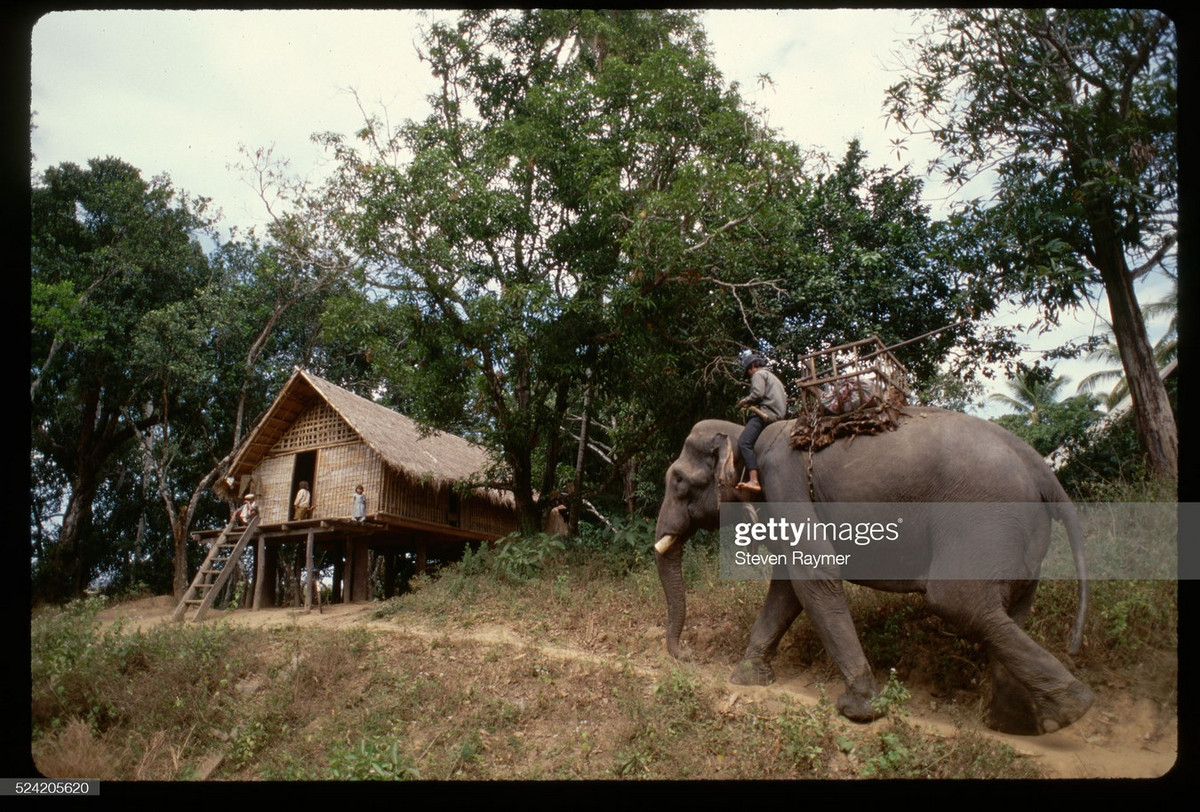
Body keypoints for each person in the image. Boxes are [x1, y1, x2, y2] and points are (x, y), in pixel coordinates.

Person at [735, 355, 787, 493]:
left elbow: (757, 393)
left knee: (744, 442)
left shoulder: (759, 375)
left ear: (752, 367)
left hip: (766, 414)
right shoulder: (773, 377)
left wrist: (744, 401)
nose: (750, 375)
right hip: (779, 414)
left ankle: (753, 480)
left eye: (748, 372)